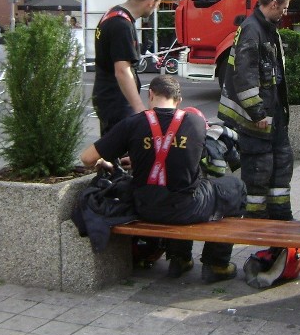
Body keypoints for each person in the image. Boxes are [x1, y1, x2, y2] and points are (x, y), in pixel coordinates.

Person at [80, 75, 246, 283]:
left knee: (170, 188)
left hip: (144, 207)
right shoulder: (195, 122)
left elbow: (87, 158)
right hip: (187, 208)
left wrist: (134, 159)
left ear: (150, 95)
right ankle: (217, 263)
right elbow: (184, 158)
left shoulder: (132, 123)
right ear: (179, 101)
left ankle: (180, 258)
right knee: (235, 187)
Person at [218, 0, 296, 220]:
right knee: (259, 172)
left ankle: (280, 217)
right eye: (284, 8)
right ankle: (256, 222)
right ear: (273, 4)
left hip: (273, 114)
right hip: (257, 119)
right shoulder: (252, 29)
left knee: (281, 165)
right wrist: (257, 113)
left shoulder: (266, 27)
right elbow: (245, 74)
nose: (285, 13)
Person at [92, 0, 164, 135]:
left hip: (106, 96)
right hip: (116, 101)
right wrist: (139, 108)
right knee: (123, 153)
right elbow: (122, 71)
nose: (154, 10)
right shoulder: (122, 25)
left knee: (110, 152)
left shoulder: (112, 13)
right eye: (156, 6)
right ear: (151, 2)